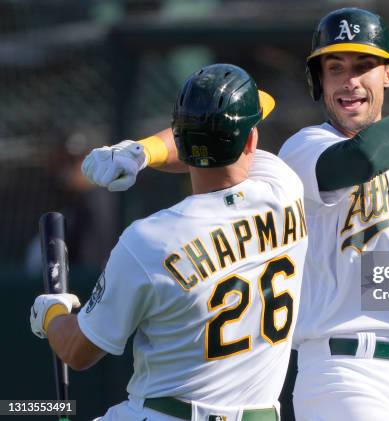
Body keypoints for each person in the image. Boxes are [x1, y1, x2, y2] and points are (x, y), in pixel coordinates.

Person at [78, 7, 389, 420]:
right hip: (348, 371)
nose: (349, 80)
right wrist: (143, 151)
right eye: (334, 67)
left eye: (363, 65)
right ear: (317, 80)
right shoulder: (306, 149)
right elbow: (357, 160)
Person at [29, 63, 308, 421]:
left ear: (181, 139)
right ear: (251, 139)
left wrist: (53, 311)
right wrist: (143, 153)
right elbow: (223, 148)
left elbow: (77, 350)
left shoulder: (148, 241)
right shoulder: (284, 189)